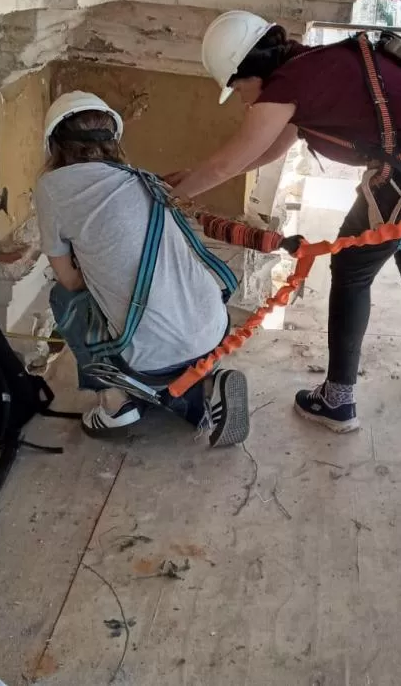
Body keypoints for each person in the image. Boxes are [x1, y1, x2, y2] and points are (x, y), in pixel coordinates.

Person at [168, 11, 401, 434]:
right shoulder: (310, 67)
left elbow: (228, 163)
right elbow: (264, 152)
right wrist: (187, 178)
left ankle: (337, 401)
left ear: (248, 69)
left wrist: (172, 195)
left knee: (351, 269)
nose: (241, 100)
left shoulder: (286, 87)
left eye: (236, 87)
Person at [35, 90, 250, 447]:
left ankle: (116, 402)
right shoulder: (143, 178)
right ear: (113, 140)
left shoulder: (52, 188)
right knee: (162, 322)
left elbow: (70, 281)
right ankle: (208, 385)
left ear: (55, 144)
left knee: (63, 298)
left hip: (153, 352)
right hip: (214, 325)